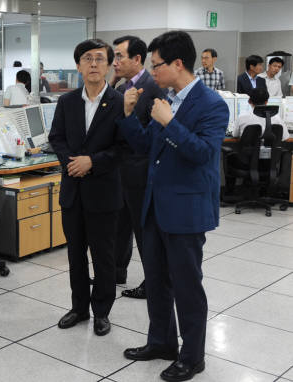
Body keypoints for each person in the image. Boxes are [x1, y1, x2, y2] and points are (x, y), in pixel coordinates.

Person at [119, 30, 228, 381]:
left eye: (157, 66)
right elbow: (145, 146)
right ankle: (161, 342)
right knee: (158, 280)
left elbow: (203, 153)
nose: (152, 73)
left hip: (186, 211)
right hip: (155, 207)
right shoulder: (165, 99)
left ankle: (192, 355)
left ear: (177, 64)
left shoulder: (212, 104)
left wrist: (170, 122)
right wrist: (128, 115)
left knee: (186, 284)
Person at [48, 39, 125, 337]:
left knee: (104, 257)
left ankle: (102, 312)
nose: (93, 64)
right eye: (87, 59)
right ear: (78, 65)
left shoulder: (120, 103)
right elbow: (57, 137)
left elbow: (123, 148)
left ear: (108, 65)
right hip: (72, 191)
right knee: (75, 255)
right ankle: (78, 307)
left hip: (104, 192)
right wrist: (72, 162)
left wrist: (92, 161)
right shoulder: (67, 102)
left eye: (99, 59)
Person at [110, 35, 164, 300]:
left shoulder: (151, 87)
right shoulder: (122, 88)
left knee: (143, 230)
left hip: (140, 171)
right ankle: (117, 271)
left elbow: (149, 135)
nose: (114, 61)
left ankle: (151, 280)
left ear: (137, 59)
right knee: (119, 225)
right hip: (120, 169)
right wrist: (111, 84)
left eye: (119, 56)